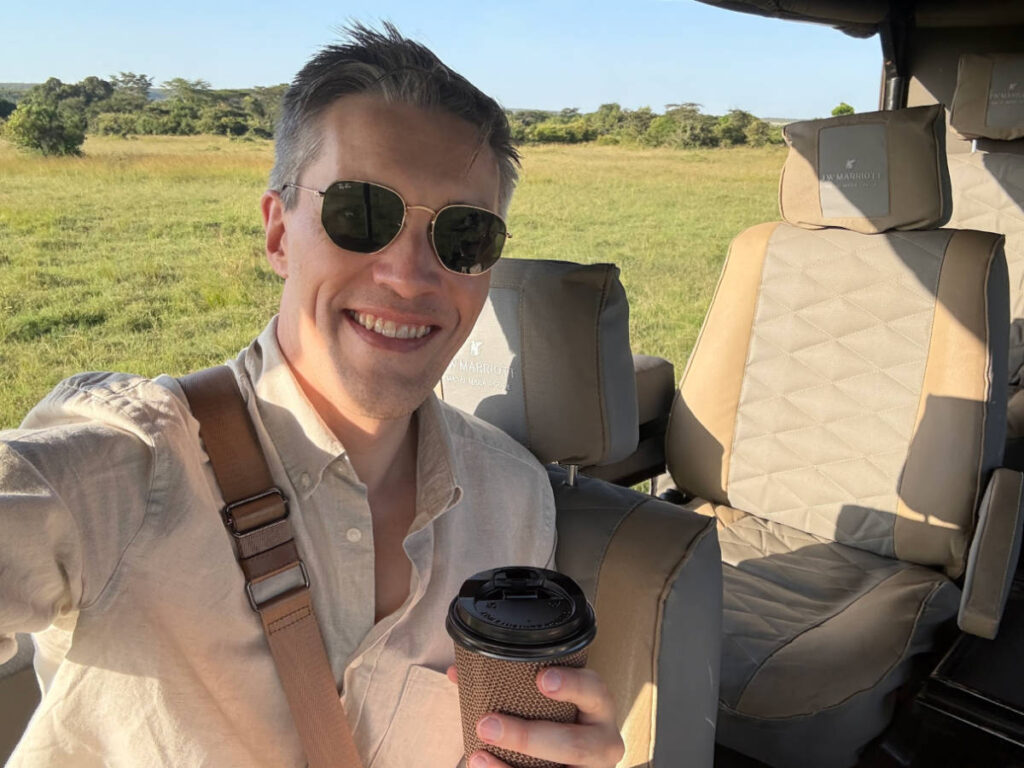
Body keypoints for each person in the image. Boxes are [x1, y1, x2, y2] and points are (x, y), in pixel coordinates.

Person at [0, 23, 624, 768]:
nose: (409, 273)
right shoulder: (121, 468)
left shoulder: (515, 501)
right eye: (360, 212)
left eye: (463, 235)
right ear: (277, 233)